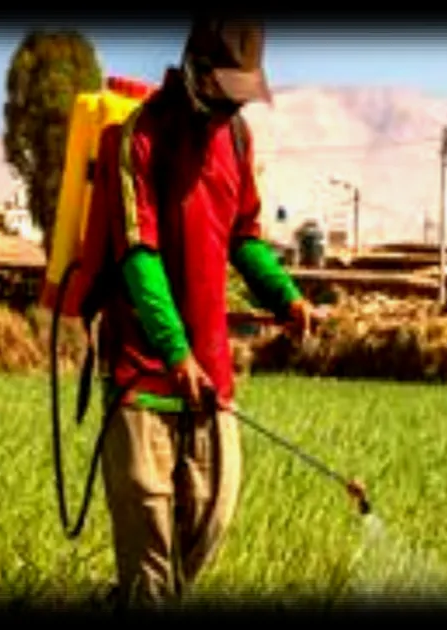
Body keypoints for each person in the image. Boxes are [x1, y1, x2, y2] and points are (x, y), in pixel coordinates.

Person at [88, 16, 322, 608]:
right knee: (149, 569)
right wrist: (174, 352)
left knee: (208, 528)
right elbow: (138, 256)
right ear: (196, 73)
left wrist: (284, 295)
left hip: (212, 378)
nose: (232, 109)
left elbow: (243, 234)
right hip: (142, 377)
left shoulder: (237, 141)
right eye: (226, 93)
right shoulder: (136, 138)